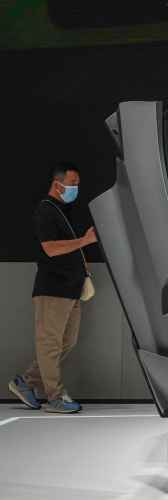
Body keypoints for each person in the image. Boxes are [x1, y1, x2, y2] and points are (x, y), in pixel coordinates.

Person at [8, 162, 97, 413]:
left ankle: (25, 382)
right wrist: (85, 240)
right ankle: (55, 397)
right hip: (53, 290)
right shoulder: (45, 211)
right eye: (73, 184)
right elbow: (50, 248)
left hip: (70, 290)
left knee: (66, 342)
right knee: (50, 344)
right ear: (58, 184)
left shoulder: (60, 211)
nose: (76, 188)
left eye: (77, 184)